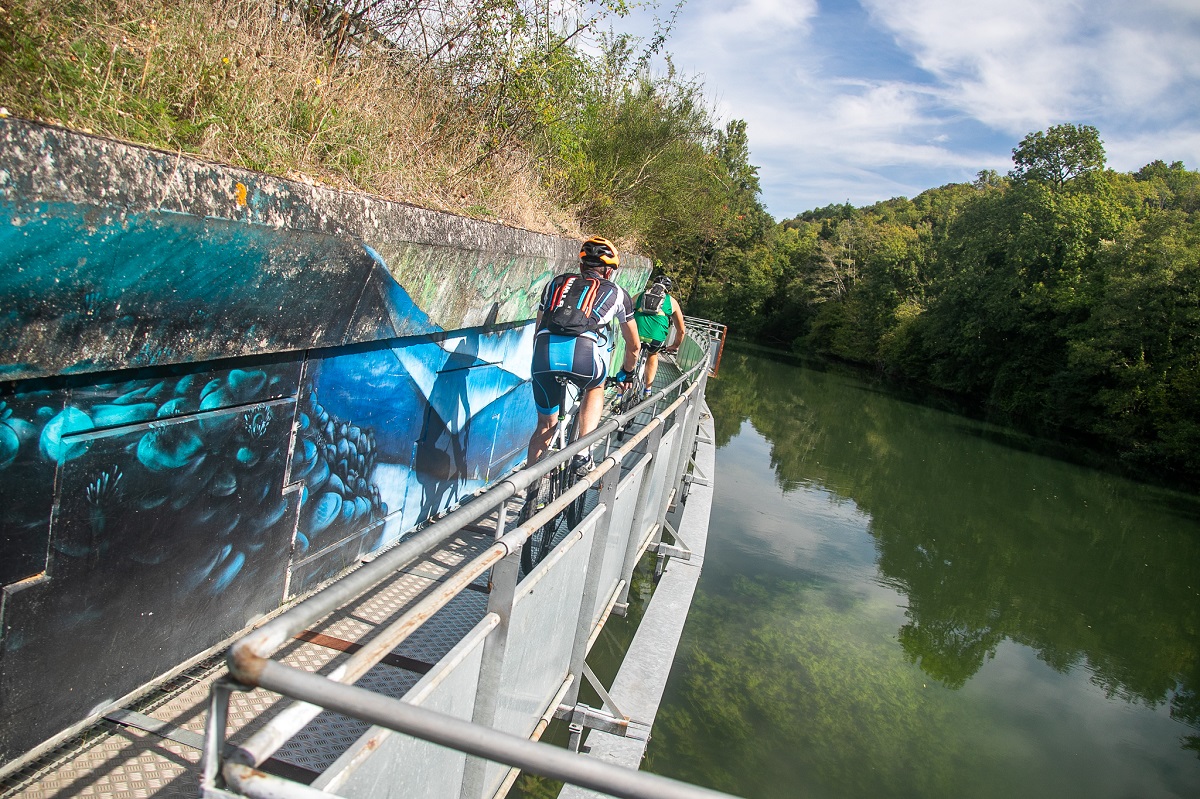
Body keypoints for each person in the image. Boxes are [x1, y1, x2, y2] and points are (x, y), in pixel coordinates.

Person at [528, 236, 640, 474]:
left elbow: (539, 329)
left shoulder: (554, 284)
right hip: (583, 356)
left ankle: (528, 496)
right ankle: (582, 452)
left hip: (543, 354)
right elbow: (634, 346)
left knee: (544, 426)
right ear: (608, 272)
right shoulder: (618, 293)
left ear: (581, 266)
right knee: (594, 386)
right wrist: (627, 372)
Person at [632, 274, 686, 396]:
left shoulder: (640, 295)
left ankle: (620, 393)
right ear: (668, 289)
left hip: (636, 335)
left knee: (631, 352)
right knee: (653, 354)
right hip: (655, 339)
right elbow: (681, 330)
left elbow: (626, 309)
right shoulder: (671, 301)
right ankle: (647, 390)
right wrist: (675, 345)